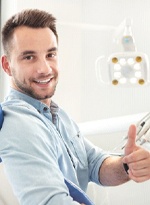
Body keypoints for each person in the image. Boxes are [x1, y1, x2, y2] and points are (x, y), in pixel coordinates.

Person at [0, 9, 150, 205]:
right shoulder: (19, 124)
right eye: (29, 57)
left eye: (50, 54)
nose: (45, 68)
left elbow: (95, 165)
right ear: (7, 65)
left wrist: (126, 166)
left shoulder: (57, 115)